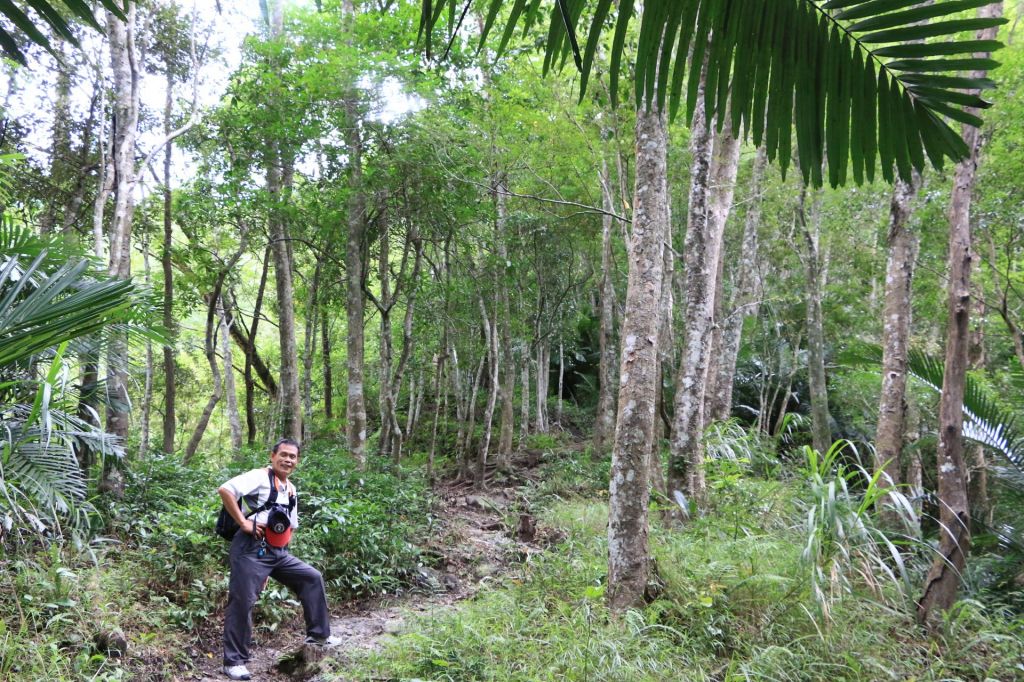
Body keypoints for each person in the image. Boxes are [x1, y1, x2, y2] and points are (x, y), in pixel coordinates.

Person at [218, 438, 340, 680]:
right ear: (272, 456)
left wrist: (278, 556)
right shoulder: (259, 476)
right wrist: (243, 522)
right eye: (283, 455)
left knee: (311, 578)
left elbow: (291, 526)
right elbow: (226, 490)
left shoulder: (291, 489)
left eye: (292, 457)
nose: (288, 460)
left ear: (297, 461)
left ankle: (318, 635)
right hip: (250, 549)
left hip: (277, 552)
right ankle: (234, 662)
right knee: (243, 601)